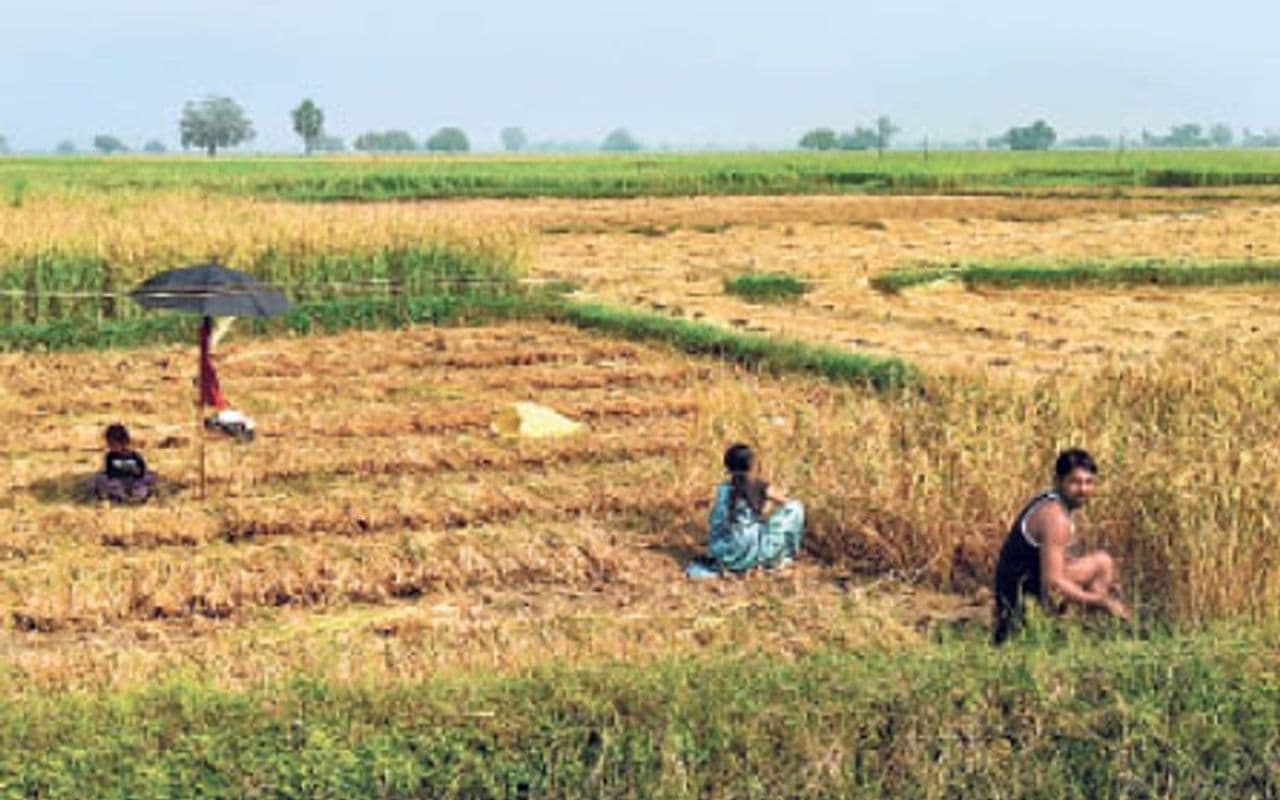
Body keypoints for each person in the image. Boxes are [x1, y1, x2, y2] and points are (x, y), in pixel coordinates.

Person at [992, 448, 1129, 644]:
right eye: (1075, 482)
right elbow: (1053, 584)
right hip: (1019, 598)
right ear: (1059, 481)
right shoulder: (1055, 517)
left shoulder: (1051, 501)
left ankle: (1084, 630)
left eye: (1089, 482)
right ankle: (1056, 630)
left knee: (1102, 562)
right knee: (1085, 579)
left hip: (1027, 581)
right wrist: (1101, 602)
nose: (1083, 489)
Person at [688, 443, 805, 578]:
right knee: (796, 506)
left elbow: (715, 512)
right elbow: (781, 505)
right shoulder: (760, 486)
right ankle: (792, 551)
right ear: (752, 465)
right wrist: (770, 500)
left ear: (727, 467)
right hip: (756, 550)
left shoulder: (723, 489)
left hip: (727, 552)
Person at [90, 424, 157, 504]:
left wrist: (135, 471)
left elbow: (141, 470)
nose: (110, 447)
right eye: (109, 444)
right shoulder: (110, 456)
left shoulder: (134, 455)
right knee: (100, 478)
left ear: (124, 442)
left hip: (135, 481)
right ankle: (122, 497)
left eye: (113, 444)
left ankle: (137, 497)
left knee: (150, 477)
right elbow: (110, 472)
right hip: (117, 481)